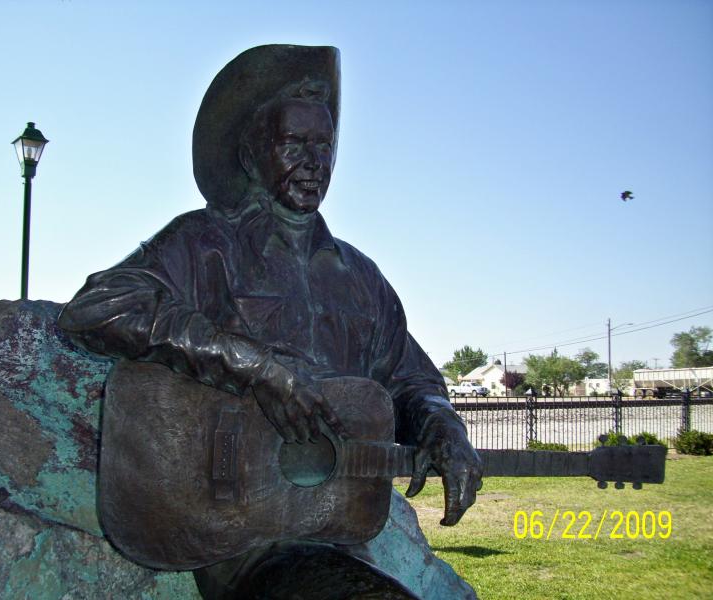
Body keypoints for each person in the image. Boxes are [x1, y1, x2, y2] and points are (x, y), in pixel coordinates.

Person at [59, 44, 481, 599]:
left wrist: (441, 423)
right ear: (252, 152)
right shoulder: (205, 243)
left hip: (335, 524)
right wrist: (253, 367)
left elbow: (411, 376)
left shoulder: (360, 276)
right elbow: (98, 307)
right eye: (293, 144)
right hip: (231, 533)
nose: (314, 161)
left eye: (324, 145)